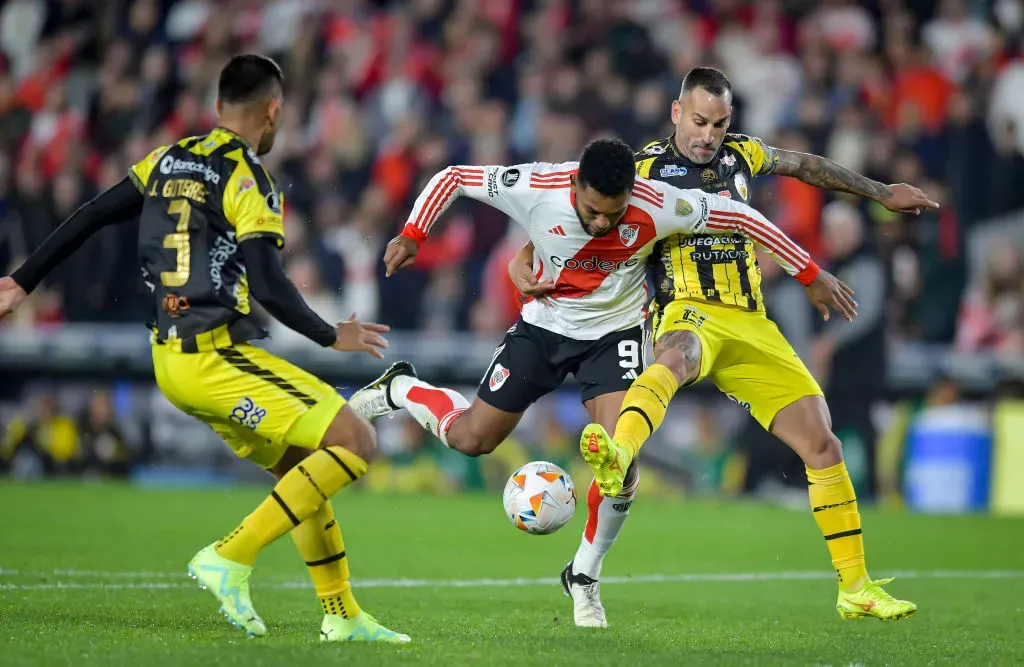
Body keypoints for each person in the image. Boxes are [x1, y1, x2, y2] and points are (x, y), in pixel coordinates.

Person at [347, 137, 844, 627]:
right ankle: (401, 387)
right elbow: (453, 176)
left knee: (620, 458)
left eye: (614, 212)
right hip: (543, 328)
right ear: (576, 183)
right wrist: (413, 234)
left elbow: (741, 217)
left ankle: (584, 575)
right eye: (592, 211)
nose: (603, 222)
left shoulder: (657, 203)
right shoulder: (537, 185)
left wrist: (808, 272)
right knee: (471, 438)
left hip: (615, 338)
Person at [0, 54, 409, 644]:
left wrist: (21, 280)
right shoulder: (248, 178)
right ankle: (230, 555)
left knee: (303, 469)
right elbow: (269, 283)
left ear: (218, 108)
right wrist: (331, 335)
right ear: (273, 111)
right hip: (215, 355)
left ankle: (341, 614)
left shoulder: (170, 158)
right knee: (355, 439)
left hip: (170, 361)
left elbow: (93, 214)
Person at [511, 67, 936, 621]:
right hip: (687, 307)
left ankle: (854, 586)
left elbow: (806, 166)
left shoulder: (743, 154)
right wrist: (526, 257)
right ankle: (619, 453)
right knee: (677, 354)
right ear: (675, 113)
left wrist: (881, 192)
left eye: (719, 123)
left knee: (822, 443)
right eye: (698, 121)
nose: (708, 135)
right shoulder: (642, 169)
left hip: (751, 321)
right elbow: (572, 211)